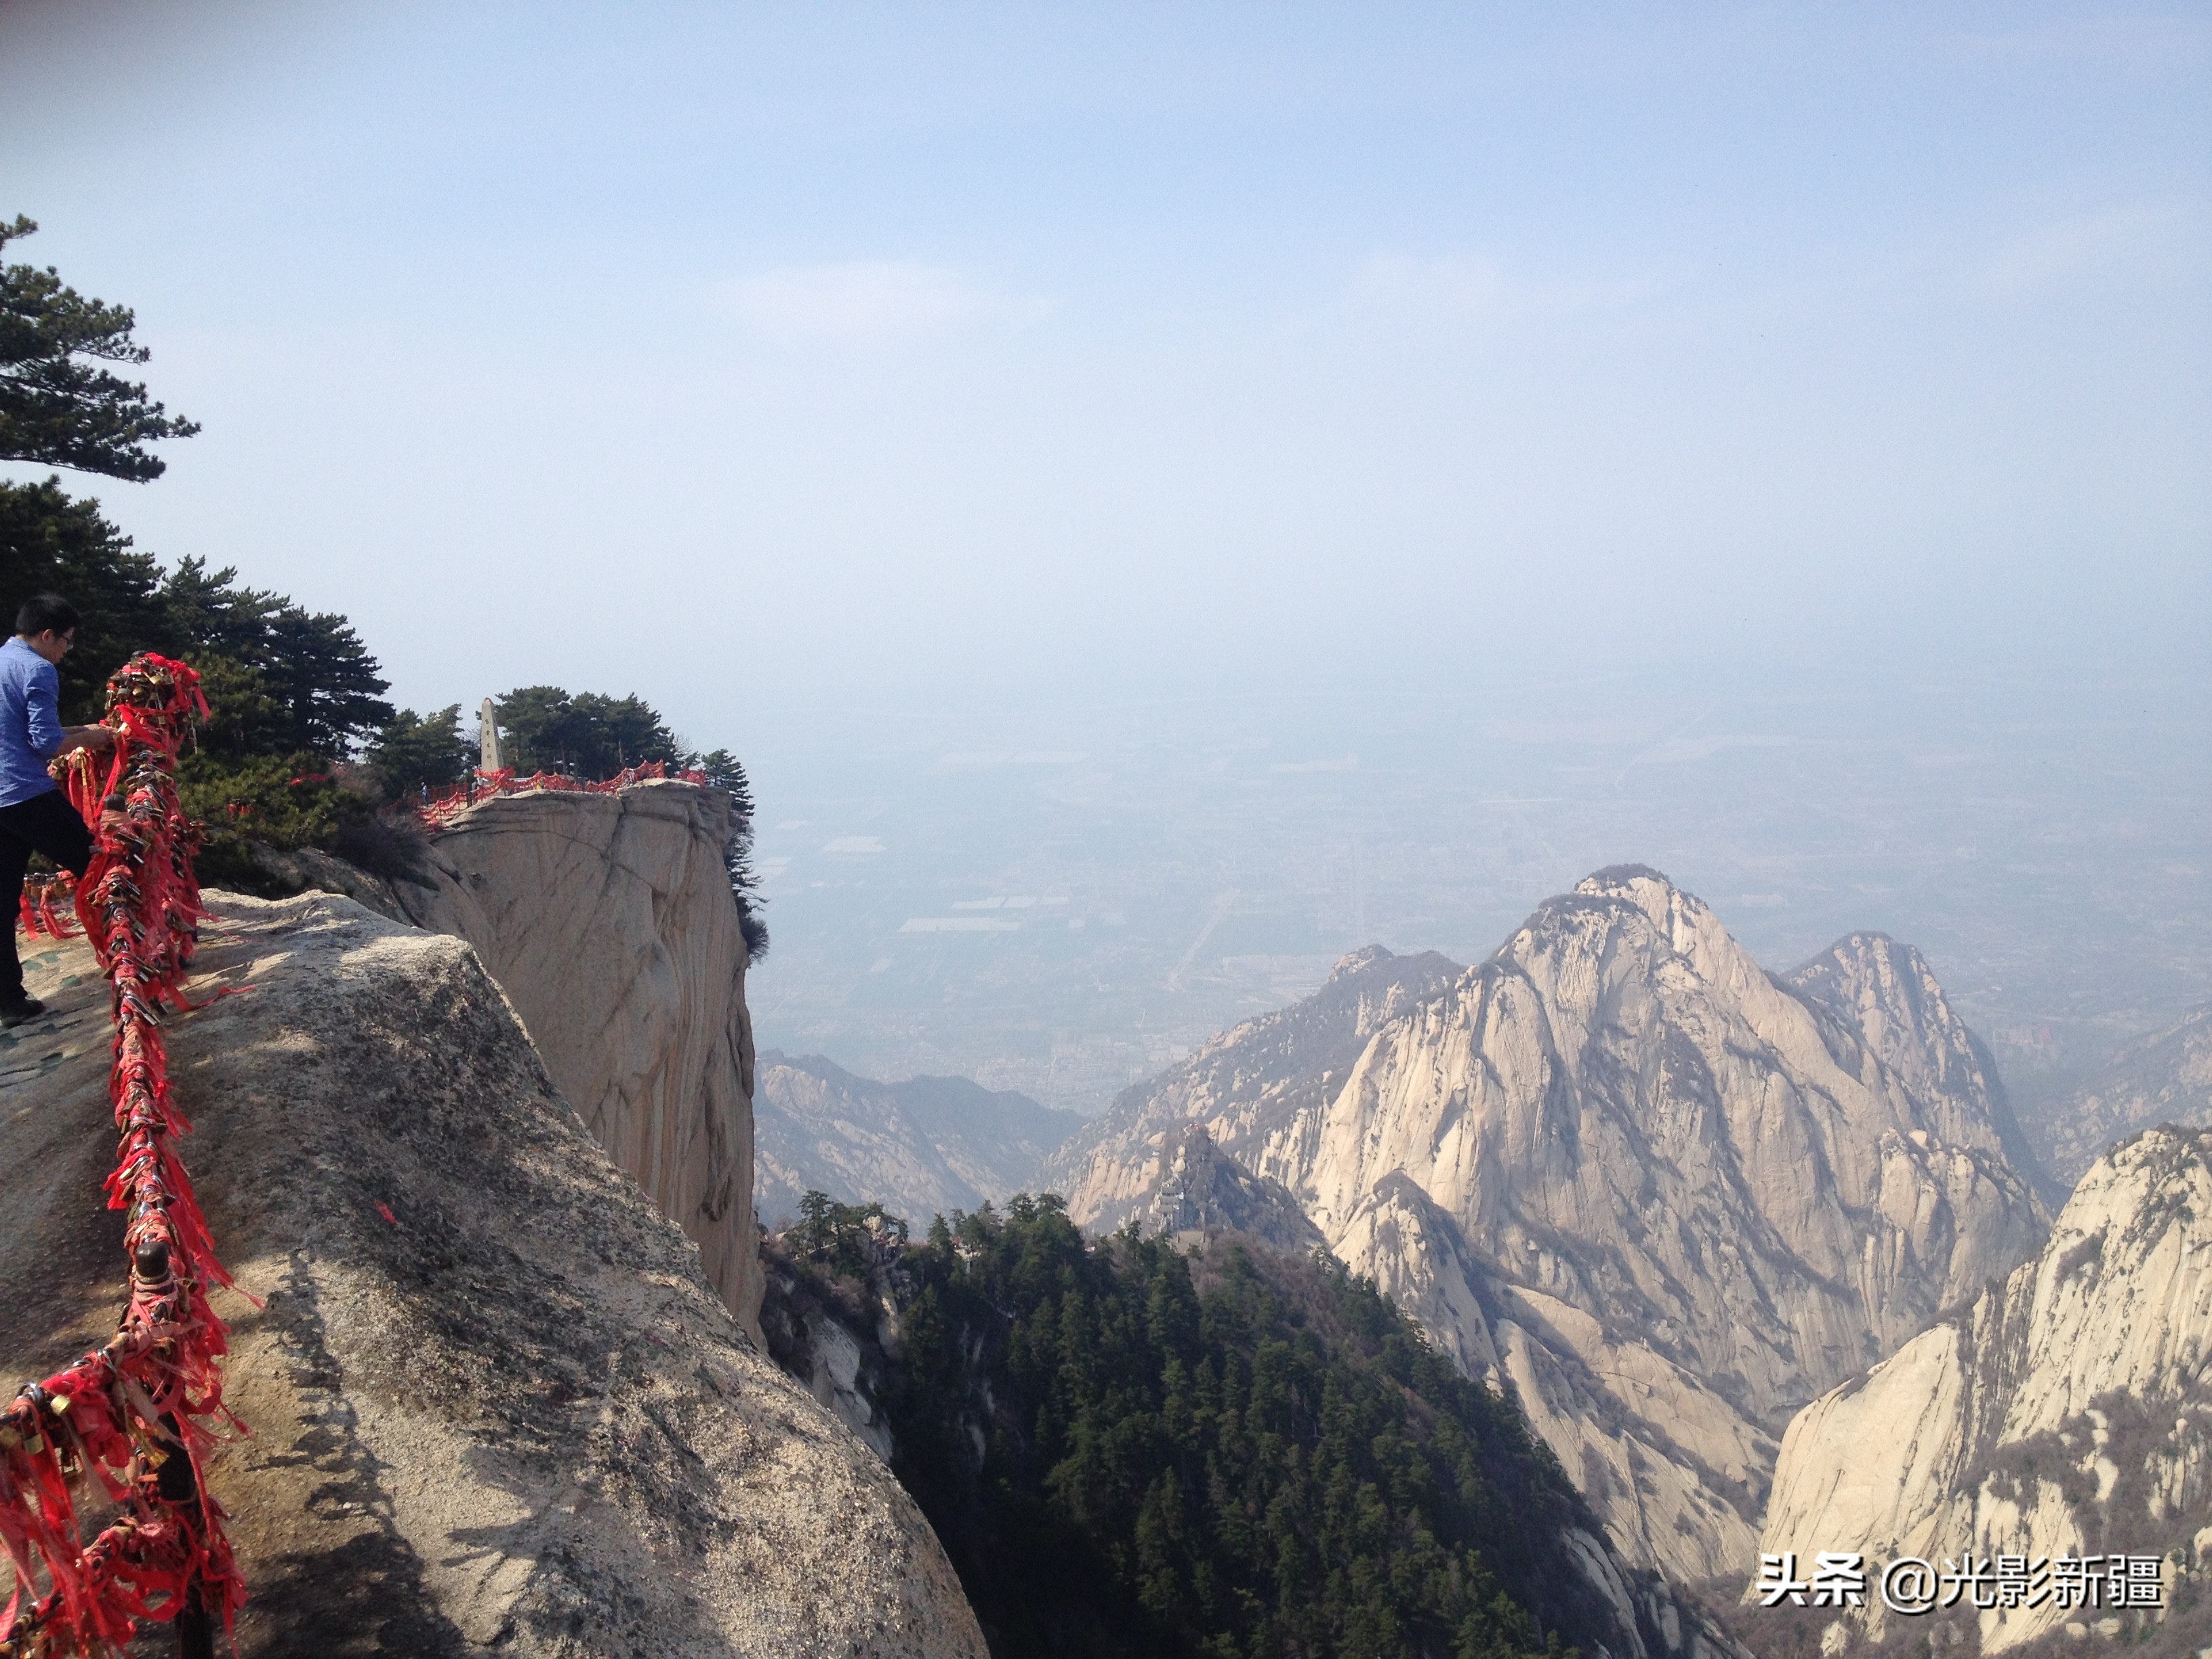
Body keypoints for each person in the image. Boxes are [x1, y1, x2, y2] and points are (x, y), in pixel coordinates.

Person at [0, 594, 117, 1025]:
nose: (67, 651)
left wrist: (87, 731)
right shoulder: (38, 669)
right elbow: (47, 743)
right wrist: (90, 738)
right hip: (24, 793)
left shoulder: (3, 660)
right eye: (66, 641)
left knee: (1, 901)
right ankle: (145, 960)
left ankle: (9, 1001)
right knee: (102, 869)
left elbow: (26, 732)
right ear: (47, 635)